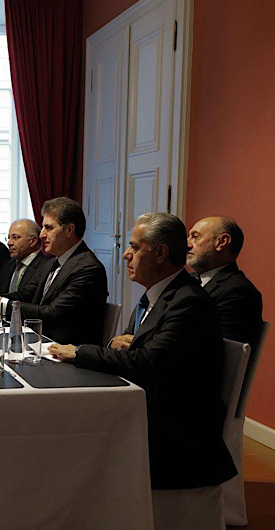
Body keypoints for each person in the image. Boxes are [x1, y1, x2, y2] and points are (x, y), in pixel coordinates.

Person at [50, 213, 236, 528]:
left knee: (71, 432)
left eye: (135, 247)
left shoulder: (187, 300)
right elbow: (132, 348)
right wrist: (116, 344)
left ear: (160, 253)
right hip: (154, 408)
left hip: (178, 435)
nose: (126, 254)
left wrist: (80, 351)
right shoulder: (159, 295)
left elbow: (147, 362)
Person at [0, 197, 107, 345]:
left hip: (67, 351)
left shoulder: (88, 268)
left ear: (69, 230)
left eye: (48, 228)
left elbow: (54, 313)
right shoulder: (52, 262)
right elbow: (25, 294)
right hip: (40, 342)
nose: (42, 234)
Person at [187, 216, 263, 348]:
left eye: (195, 236)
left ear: (221, 242)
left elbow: (215, 351)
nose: (187, 244)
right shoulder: (186, 280)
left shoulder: (238, 292)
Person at [0, 219, 50, 295]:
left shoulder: (46, 266)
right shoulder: (9, 264)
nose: (9, 243)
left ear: (33, 241)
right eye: (9, 238)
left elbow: (26, 296)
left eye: (15, 237)